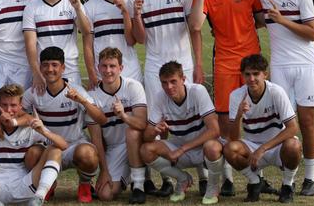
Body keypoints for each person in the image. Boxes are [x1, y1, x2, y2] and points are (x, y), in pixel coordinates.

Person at [128, 0, 205, 196]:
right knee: (158, 124)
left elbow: (195, 28)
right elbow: (138, 39)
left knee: (195, 118)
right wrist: (137, 15)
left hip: (184, 64)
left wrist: (199, 65)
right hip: (154, 68)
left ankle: (204, 175)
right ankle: (169, 179)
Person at [188, 0, 264, 196]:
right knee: (224, 118)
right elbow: (196, 25)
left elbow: (261, 21)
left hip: (251, 62)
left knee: (255, 116)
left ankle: (259, 174)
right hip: (224, 62)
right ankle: (229, 177)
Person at [258, 0, 314, 196]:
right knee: (282, 123)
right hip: (280, 67)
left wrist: (282, 20)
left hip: (305, 66)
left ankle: (310, 179)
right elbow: (257, 19)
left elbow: (313, 33)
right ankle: (287, 179)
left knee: (306, 121)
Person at [0, 84, 69, 206]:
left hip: (26, 187)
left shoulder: (30, 128)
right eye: (4, 105)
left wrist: (43, 131)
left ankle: (39, 197)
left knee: (55, 150)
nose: (9, 110)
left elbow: (63, 145)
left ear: (20, 106)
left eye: (13, 105)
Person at [22, 46, 107, 203]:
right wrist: (26, 119)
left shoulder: (76, 90)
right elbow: (19, 113)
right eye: (45, 65)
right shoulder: (33, 92)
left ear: (63, 67)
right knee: (31, 155)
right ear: (40, 67)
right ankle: (49, 184)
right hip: (48, 148)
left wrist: (81, 100)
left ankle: (85, 184)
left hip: (74, 145)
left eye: (55, 65)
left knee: (88, 154)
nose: (50, 69)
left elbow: (102, 119)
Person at [223, 54, 301, 203]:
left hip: (277, 145)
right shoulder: (236, 96)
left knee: (294, 145)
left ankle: (287, 186)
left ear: (265, 74)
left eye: (256, 73)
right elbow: (233, 138)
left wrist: (263, 148)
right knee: (229, 148)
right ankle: (255, 182)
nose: (251, 79)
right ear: (242, 76)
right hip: (252, 147)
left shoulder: (276, 91)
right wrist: (239, 115)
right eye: (247, 74)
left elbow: (292, 128)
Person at [140, 61, 219, 203]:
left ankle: (212, 188)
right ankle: (182, 179)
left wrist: (182, 149)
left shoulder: (197, 91)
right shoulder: (160, 97)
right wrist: (154, 131)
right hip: (179, 150)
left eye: (173, 81)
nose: (169, 87)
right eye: (164, 83)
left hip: (202, 149)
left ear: (183, 79)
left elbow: (214, 130)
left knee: (213, 147)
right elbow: (146, 136)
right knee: (146, 149)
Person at [87, 48, 147, 204]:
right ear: (98, 68)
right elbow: (96, 139)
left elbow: (141, 124)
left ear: (121, 68)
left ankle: (139, 185)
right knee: (105, 194)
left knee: (132, 133)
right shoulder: (92, 96)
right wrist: (104, 172)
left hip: (139, 141)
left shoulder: (133, 86)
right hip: (115, 148)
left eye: (112, 66)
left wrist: (124, 116)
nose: (108, 71)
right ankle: (129, 175)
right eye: (104, 66)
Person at [22, 0, 91, 93]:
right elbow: (30, 44)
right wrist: (36, 73)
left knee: (73, 108)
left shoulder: (72, 3)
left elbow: (86, 31)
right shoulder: (31, 8)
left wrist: (77, 8)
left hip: (69, 69)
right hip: (45, 70)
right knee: (45, 109)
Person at [83, 0, 143, 89]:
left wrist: (125, 12)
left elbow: (131, 41)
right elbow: (87, 45)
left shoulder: (130, 2)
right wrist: (92, 74)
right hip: (103, 73)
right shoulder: (90, 6)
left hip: (130, 71)